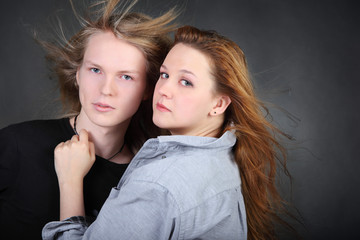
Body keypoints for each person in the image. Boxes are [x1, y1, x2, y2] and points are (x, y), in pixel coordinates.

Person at [42, 25, 294, 240]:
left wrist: (70, 181)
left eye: (186, 82)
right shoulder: (222, 155)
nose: (163, 89)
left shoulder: (158, 185)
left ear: (219, 104)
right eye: (164, 75)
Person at [0, 0, 177, 239]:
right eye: (95, 70)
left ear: (148, 89)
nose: (106, 90)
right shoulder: (16, 144)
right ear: (77, 74)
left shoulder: (144, 179)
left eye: (126, 76)